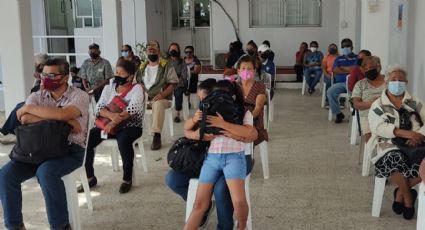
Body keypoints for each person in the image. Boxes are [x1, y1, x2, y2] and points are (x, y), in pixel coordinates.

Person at [0, 58, 89, 230]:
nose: (45, 78)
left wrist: (29, 109)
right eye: (43, 74)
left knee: (46, 172)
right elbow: (24, 119)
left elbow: (63, 114)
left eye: (51, 75)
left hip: (69, 152)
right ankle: (15, 226)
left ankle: (61, 226)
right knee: (5, 175)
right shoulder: (36, 95)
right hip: (35, 150)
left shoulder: (79, 95)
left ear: (65, 77)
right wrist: (64, 120)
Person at [184, 80, 258, 230]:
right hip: (212, 159)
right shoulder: (207, 110)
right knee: (199, 204)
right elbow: (186, 129)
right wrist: (196, 128)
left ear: (233, 97)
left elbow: (251, 133)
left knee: (238, 201)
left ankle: (241, 226)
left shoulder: (243, 112)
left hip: (234, 158)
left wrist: (223, 123)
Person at [368, 65, 425, 220]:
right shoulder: (378, 104)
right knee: (393, 157)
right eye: (394, 79)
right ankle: (408, 197)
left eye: (401, 80)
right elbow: (377, 126)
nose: (397, 82)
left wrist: (418, 135)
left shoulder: (415, 102)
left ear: (406, 82)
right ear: (386, 82)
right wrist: (406, 133)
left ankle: (400, 192)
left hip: (416, 142)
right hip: (386, 141)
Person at [82, 60, 145, 194]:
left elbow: (131, 110)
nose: (117, 75)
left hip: (130, 125)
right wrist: (111, 117)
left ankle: (127, 179)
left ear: (130, 76)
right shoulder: (109, 87)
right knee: (87, 139)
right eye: (116, 72)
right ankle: (90, 177)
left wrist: (114, 122)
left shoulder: (137, 89)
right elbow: (98, 108)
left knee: (124, 140)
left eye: (122, 73)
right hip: (107, 124)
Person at [136, 41, 179, 150]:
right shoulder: (142, 67)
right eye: (149, 51)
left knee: (158, 104)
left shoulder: (166, 65)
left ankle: (156, 135)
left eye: (154, 51)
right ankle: (134, 134)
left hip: (163, 98)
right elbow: (136, 83)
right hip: (145, 99)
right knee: (131, 105)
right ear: (146, 53)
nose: (152, 53)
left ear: (158, 52)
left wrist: (162, 94)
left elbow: (173, 83)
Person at [0, 54, 49, 145]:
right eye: (36, 64)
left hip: (44, 102)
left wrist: (41, 78)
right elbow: (34, 92)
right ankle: (6, 131)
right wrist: (39, 78)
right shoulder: (41, 74)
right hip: (37, 99)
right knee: (19, 106)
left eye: (39, 64)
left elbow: (43, 92)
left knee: (20, 107)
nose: (37, 67)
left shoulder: (48, 74)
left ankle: (7, 132)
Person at [351, 56, 386, 143]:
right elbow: (356, 104)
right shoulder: (360, 84)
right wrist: (374, 103)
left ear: (378, 67)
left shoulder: (389, 81)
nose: (368, 70)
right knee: (372, 142)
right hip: (367, 116)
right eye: (365, 69)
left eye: (371, 68)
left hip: (388, 114)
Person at [238, 55, 269, 146]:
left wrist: (245, 121)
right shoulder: (234, 86)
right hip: (237, 121)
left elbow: (257, 109)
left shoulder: (259, 86)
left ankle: (247, 159)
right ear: (238, 71)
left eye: (249, 68)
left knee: (244, 134)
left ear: (254, 71)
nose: (246, 71)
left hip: (254, 122)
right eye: (243, 68)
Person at [328, 38, 358, 123]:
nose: (345, 48)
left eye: (347, 46)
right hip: (341, 84)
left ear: (352, 47)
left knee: (358, 94)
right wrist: (349, 69)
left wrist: (342, 68)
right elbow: (335, 70)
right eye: (343, 46)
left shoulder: (357, 58)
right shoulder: (338, 58)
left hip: (354, 84)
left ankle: (354, 115)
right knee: (330, 91)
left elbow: (356, 70)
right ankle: (338, 114)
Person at [167, 42, 188, 123]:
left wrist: (176, 83)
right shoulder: (165, 61)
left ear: (178, 51)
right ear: (169, 50)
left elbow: (184, 76)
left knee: (178, 94)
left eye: (175, 49)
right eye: (171, 49)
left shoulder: (182, 62)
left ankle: (177, 114)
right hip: (167, 83)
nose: (173, 50)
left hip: (178, 83)